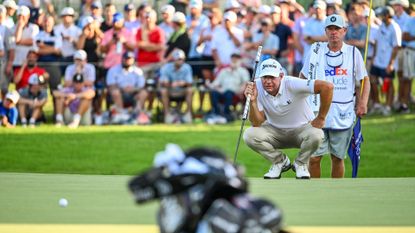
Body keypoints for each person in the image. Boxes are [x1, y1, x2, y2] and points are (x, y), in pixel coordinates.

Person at [301, 14, 370, 178]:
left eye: (337, 29)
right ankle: (316, 194)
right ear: (325, 31)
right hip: (317, 111)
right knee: (314, 158)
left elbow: (364, 79)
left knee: (338, 158)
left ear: (344, 31)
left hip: (343, 112)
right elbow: (303, 77)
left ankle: (335, 193)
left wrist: (363, 103)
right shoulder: (316, 50)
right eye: (330, 29)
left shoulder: (353, 53)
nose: (334, 32)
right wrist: (300, 101)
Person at [243, 58, 333, 179]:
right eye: (265, 77)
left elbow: (327, 87)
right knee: (249, 135)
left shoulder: (292, 83)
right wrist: (253, 102)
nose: (268, 82)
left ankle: (300, 164)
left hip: (301, 131)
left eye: (272, 77)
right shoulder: (256, 86)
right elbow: (256, 122)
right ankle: (280, 162)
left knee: (317, 134)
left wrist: (321, 117)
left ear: (281, 76)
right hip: (275, 131)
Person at [369, 6, 401, 116]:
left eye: (383, 15)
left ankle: (388, 106)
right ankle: (377, 104)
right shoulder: (382, 25)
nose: (381, 17)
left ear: (387, 15)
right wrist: (373, 57)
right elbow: (377, 42)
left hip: (388, 61)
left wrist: (391, 63)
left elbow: (396, 46)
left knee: (388, 82)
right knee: (372, 80)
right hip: (378, 60)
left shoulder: (395, 27)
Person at [106, 51, 149, 125]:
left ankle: (137, 113)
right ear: (122, 59)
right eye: (126, 58)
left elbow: (141, 86)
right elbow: (111, 85)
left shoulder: (138, 71)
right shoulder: (113, 70)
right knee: (115, 92)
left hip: (134, 93)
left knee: (144, 93)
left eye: (129, 59)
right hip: (120, 92)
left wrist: (133, 89)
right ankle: (121, 114)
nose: (127, 61)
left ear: (133, 60)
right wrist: (122, 88)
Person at [207, 53, 249, 123]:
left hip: (236, 93)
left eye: (236, 59)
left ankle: (227, 114)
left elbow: (245, 83)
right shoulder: (224, 71)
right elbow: (216, 83)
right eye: (233, 59)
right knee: (214, 93)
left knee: (228, 93)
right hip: (222, 91)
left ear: (240, 60)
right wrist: (209, 85)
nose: (234, 61)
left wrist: (241, 91)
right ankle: (217, 113)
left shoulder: (243, 71)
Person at [159, 49, 193, 124]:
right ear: (174, 59)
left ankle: (188, 114)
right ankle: (167, 115)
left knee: (190, 90)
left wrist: (182, 83)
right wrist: (172, 84)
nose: (180, 61)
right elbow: (163, 82)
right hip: (170, 90)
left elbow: (190, 83)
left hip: (181, 91)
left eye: (181, 59)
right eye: (178, 59)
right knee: (163, 91)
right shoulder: (166, 68)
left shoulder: (187, 67)